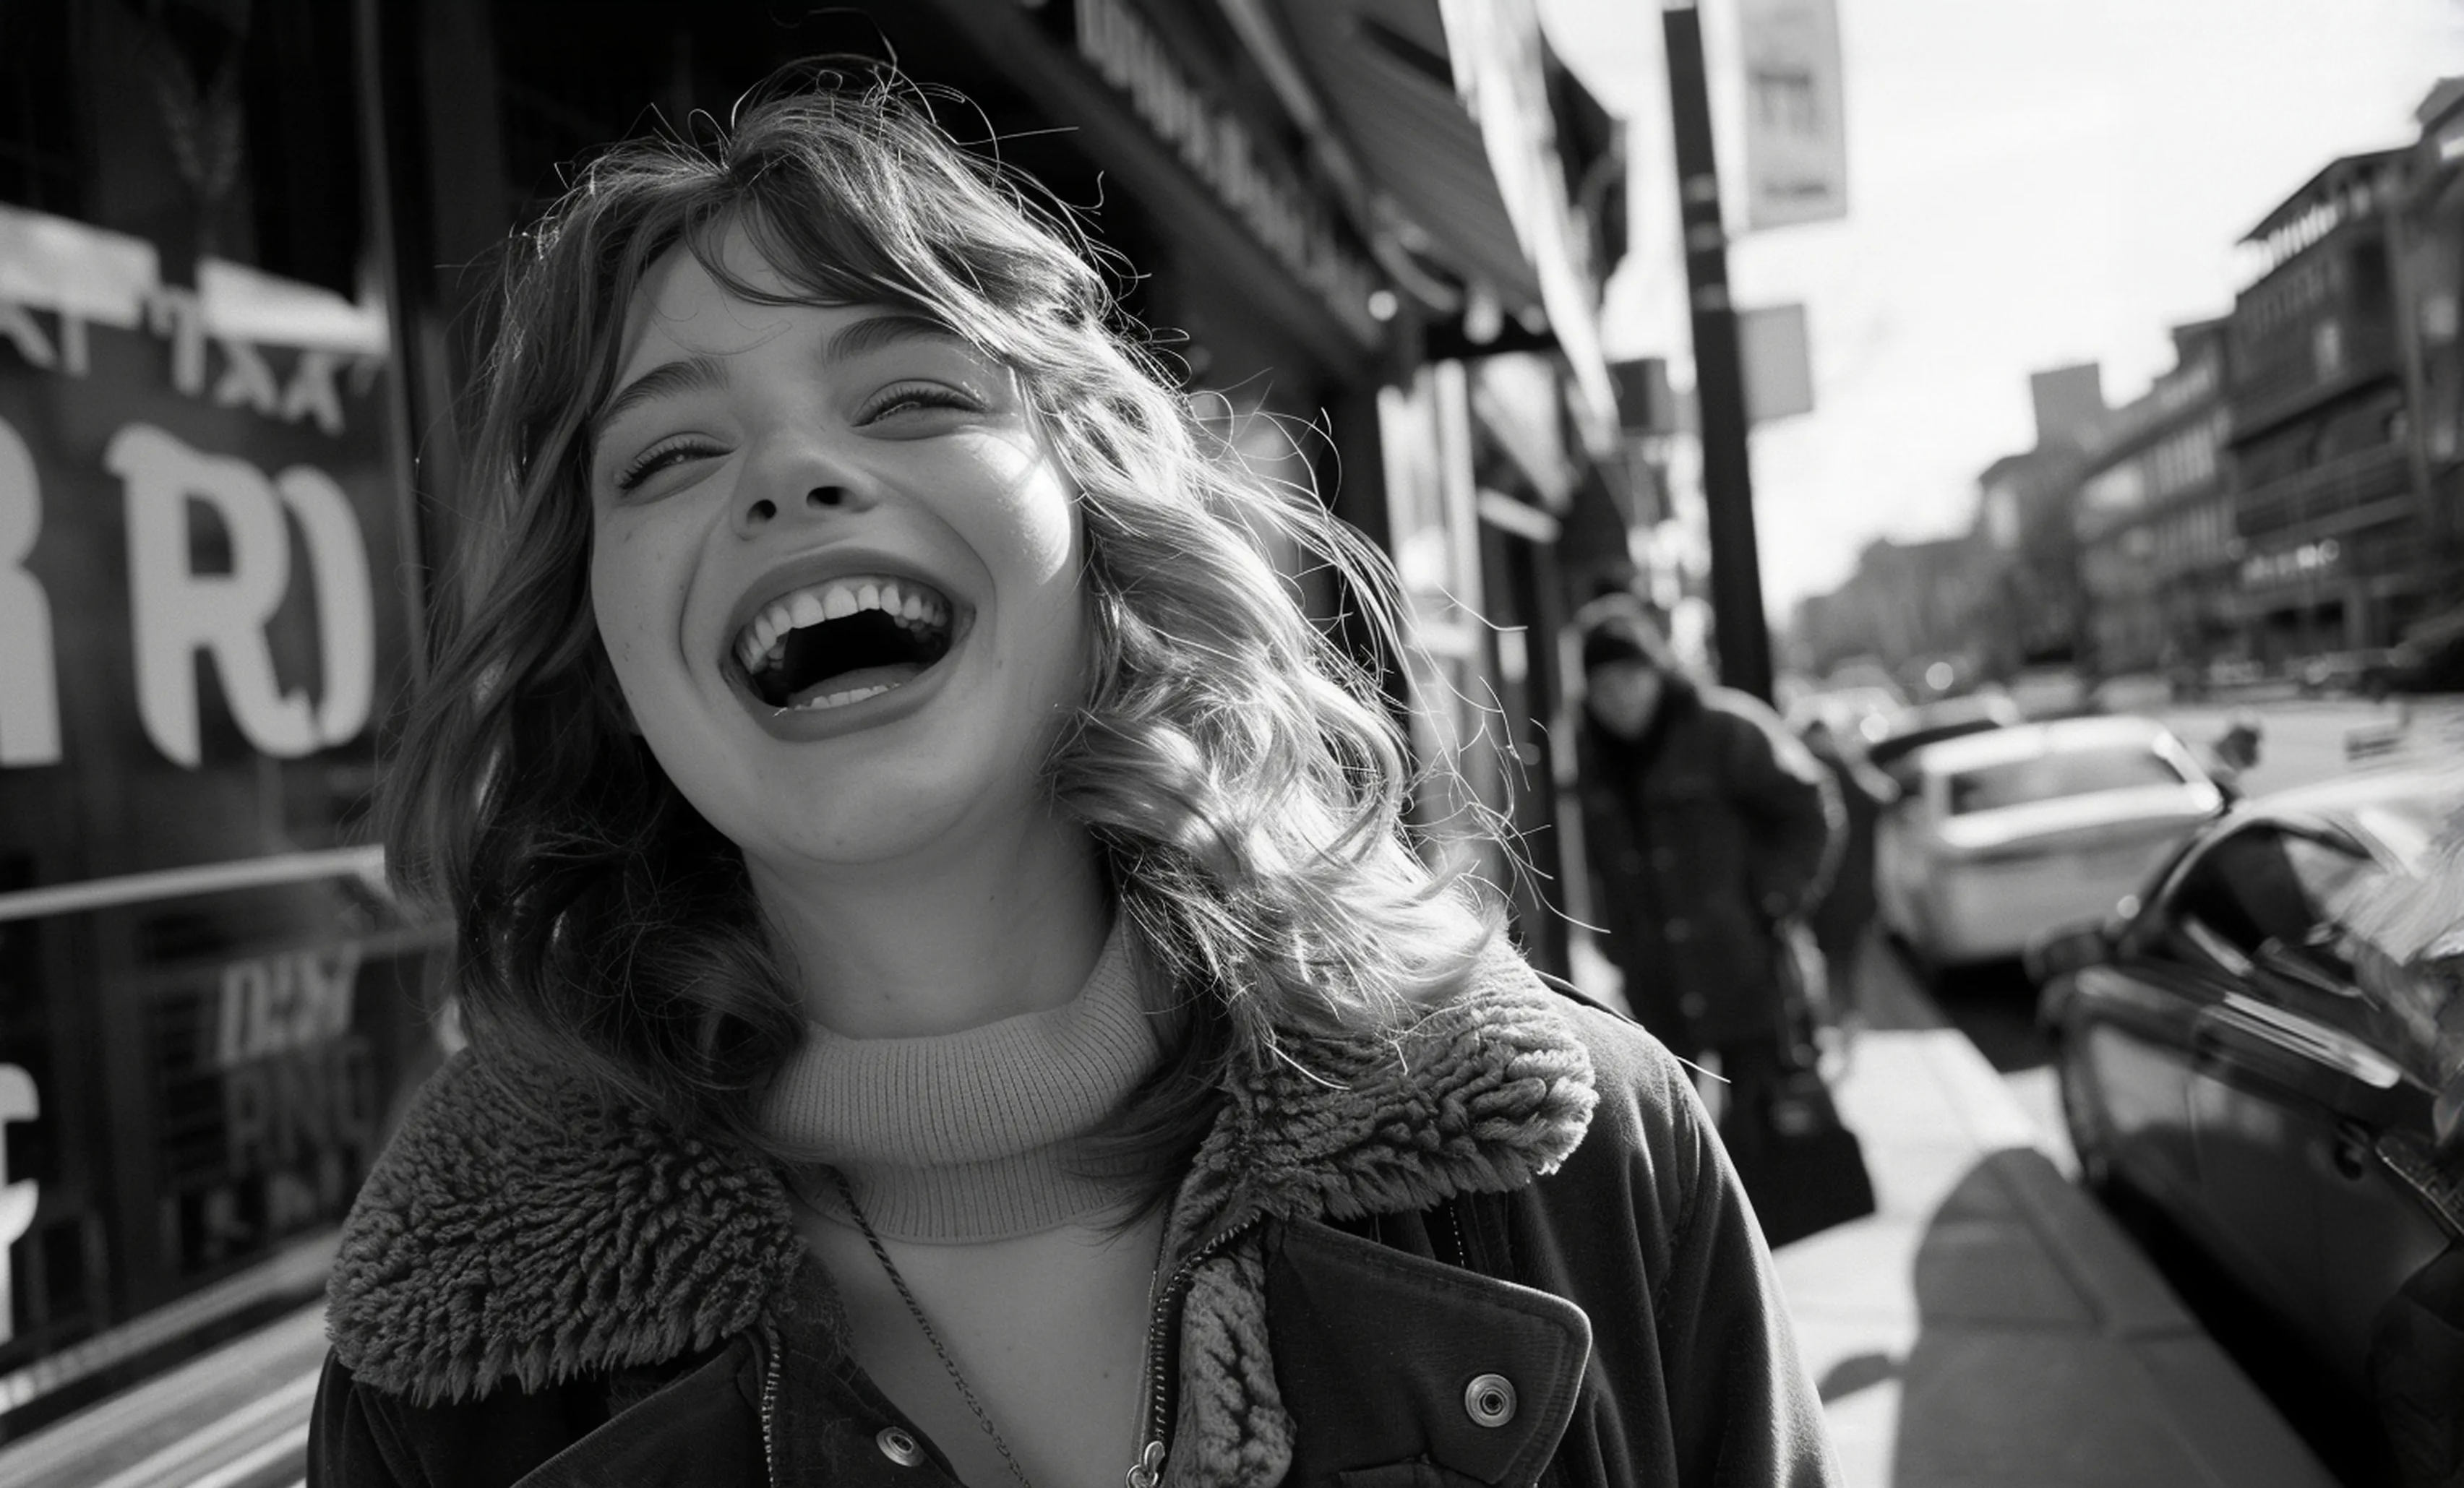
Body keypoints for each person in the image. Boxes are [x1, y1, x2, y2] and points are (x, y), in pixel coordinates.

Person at [306, 68, 1837, 1488]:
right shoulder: (435, 1388)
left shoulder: (1593, 1166)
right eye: (668, 457)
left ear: (1097, 521)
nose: (787, 473)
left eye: (911, 395)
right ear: (601, 654)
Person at [1574, 595, 1842, 1117]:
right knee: (1676, 1141)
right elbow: (1594, 862)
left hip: (1749, 973)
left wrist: (1773, 897)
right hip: (1656, 990)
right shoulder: (1592, 757)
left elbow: (1809, 808)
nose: (1618, 697)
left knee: (1767, 1135)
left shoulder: (1725, 728)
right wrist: (1614, 942)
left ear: (1657, 672)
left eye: (1630, 677)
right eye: (1603, 686)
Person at [1797, 715, 1893, 1031]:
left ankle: (1833, 1019)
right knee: (1845, 959)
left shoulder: (1805, 767)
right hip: (1849, 883)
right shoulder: (1839, 768)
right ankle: (1844, 1018)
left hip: (1819, 885)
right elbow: (1882, 796)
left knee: (1827, 958)